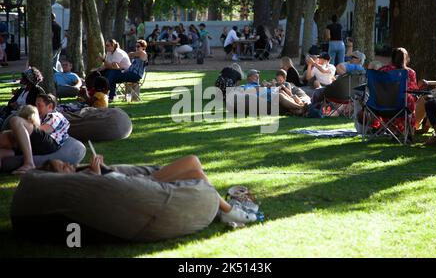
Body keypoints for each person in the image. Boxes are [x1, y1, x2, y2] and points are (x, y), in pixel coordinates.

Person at [42, 155, 258, 224]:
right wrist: (96, 173)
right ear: (57, 177)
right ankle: (231, 212)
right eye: (63, 167)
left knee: (198, 175)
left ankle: (226, 212)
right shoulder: (78, 183)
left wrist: (95, 168)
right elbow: (102, 190)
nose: (69, 165)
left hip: (139, 181)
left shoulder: (80, 174)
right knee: (193, 161)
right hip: (140, 187)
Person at [0, 93, 70, 174]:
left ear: (50, 106)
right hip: (35, 144)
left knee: (15, 120)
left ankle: (29, 163)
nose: (36, 108)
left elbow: (44, 130)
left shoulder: (56, 116)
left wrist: (21, 127)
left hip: (50, 142)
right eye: (35, 105)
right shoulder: (41, 117)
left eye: (39, 105)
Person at [377, 47, 419, 133]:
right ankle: (406, 130)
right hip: (402, 105)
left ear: (392, 58)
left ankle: (393, 130)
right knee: (410, 99)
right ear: (406, 59)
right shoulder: (410, 72)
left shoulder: (382, 70)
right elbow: (413, 90)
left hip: (382, 104)